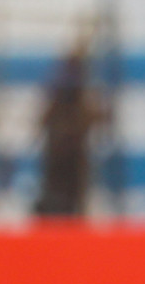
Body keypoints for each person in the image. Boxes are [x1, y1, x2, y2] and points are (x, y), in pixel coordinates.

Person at [33, 44, 104, 218]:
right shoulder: (56, 98)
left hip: (75, 163)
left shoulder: (83, 100)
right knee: (56, 199)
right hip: (57, 163)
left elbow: (95, 118)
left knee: (74, 201)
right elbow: (41, 124)